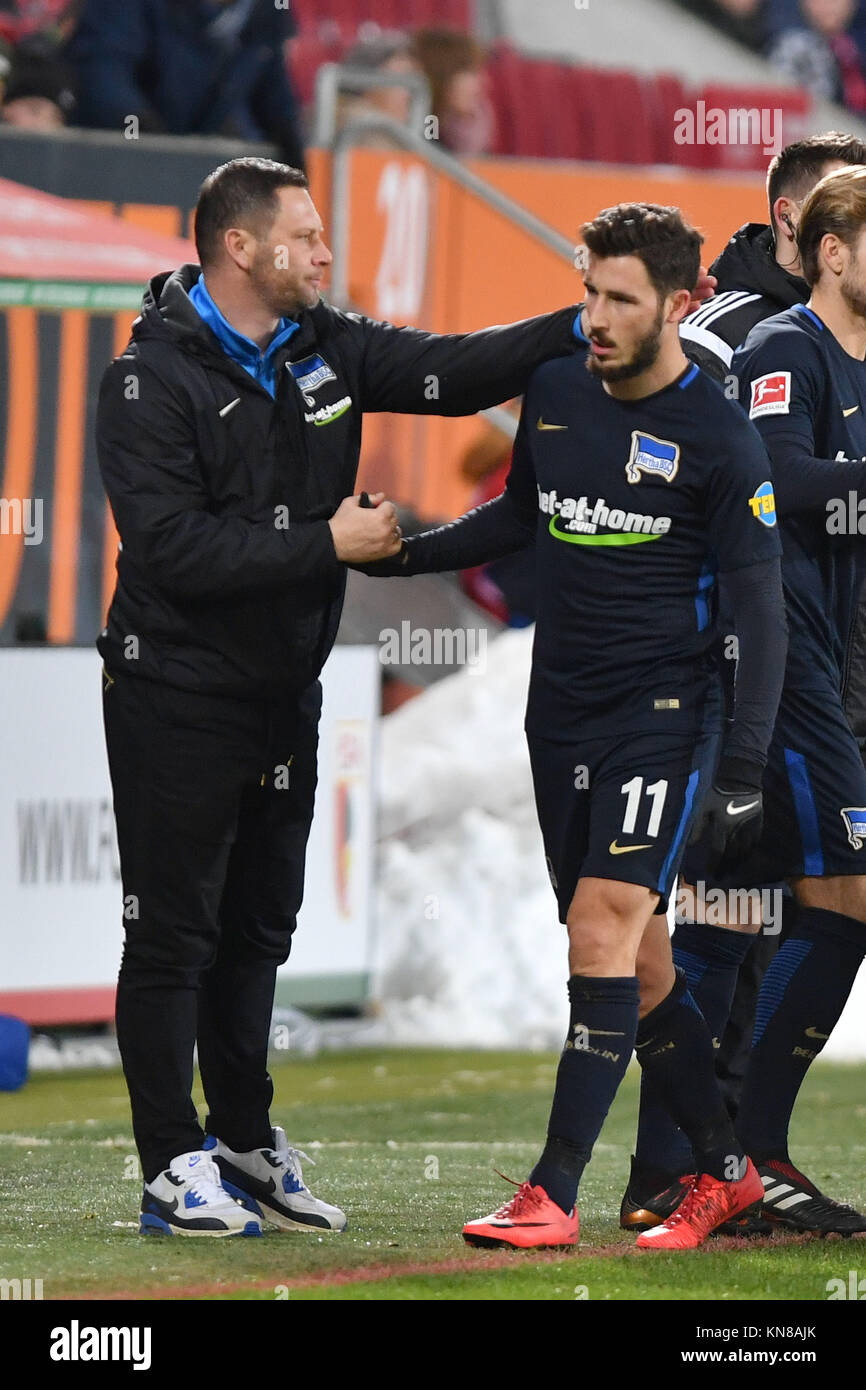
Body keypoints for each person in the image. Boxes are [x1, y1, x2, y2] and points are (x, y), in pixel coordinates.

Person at [95, 155, 604, 1237]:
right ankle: (166, 1161)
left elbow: (455, 372)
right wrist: (325, 540)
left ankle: (239, 1138)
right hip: (174, 692)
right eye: (308, 235)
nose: (326, 254)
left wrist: (586, 315)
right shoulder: (146, 379)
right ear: (242, 247)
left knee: (259, 934)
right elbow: (174, 549)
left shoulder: (324, 342)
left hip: (284, 691)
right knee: (171, 936)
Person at [357, 202, 787, 1251]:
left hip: (663, 717)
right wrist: (406, 552)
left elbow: (759, 616)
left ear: (679, 307)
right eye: (585, 289)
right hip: (559, 715)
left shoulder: (721, 438)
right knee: (635, 965)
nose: (589, 316)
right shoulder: (551, 387)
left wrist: (738, 765)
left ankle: (551, 1191)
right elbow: (519, 515)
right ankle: (726, 1171)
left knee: (599, 927)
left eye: (616, 299)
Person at [622, 133, 866, 1236]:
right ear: (814, 241)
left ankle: (700, 1164)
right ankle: (727, 1149)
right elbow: (770, 484)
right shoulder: (758, 338)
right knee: (808, 894)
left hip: (825, 663)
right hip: (754, 655)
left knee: (744, 905)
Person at [67, 0, 305, 168]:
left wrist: (288, 137)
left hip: (188, 173)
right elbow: (102, 70)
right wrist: (144, 133)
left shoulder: (262, 11)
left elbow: (271, 84)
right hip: (107, 167)